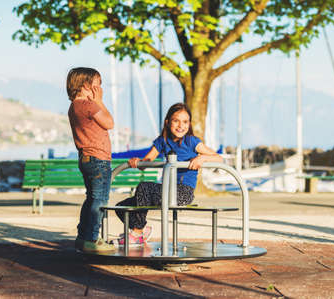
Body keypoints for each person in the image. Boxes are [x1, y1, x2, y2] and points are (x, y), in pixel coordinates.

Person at [115, 102, 223, 246]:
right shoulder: (163, 141)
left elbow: (219, 158)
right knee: (121, 207)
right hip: (166, 189)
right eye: (176, 121)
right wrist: (138, 161)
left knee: (144, 187)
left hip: (183, 191)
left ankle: (137, 232)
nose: (181, 125)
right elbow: (147, 160)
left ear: (189, 124)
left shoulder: (191, 141)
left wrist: (202, 158)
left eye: (185, 122)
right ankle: (141, 230)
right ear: (168, 122)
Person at [67, 67, 116, 253]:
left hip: (86, 158)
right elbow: (109, 123)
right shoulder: (89, 105)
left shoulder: (74, 106)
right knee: (100, 200)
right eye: (98, 83)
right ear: (86, 85)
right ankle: (93, 239)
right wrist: (100, 101)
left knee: (91, 198)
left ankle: (83, 237)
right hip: (98, 159)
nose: (101, 87)